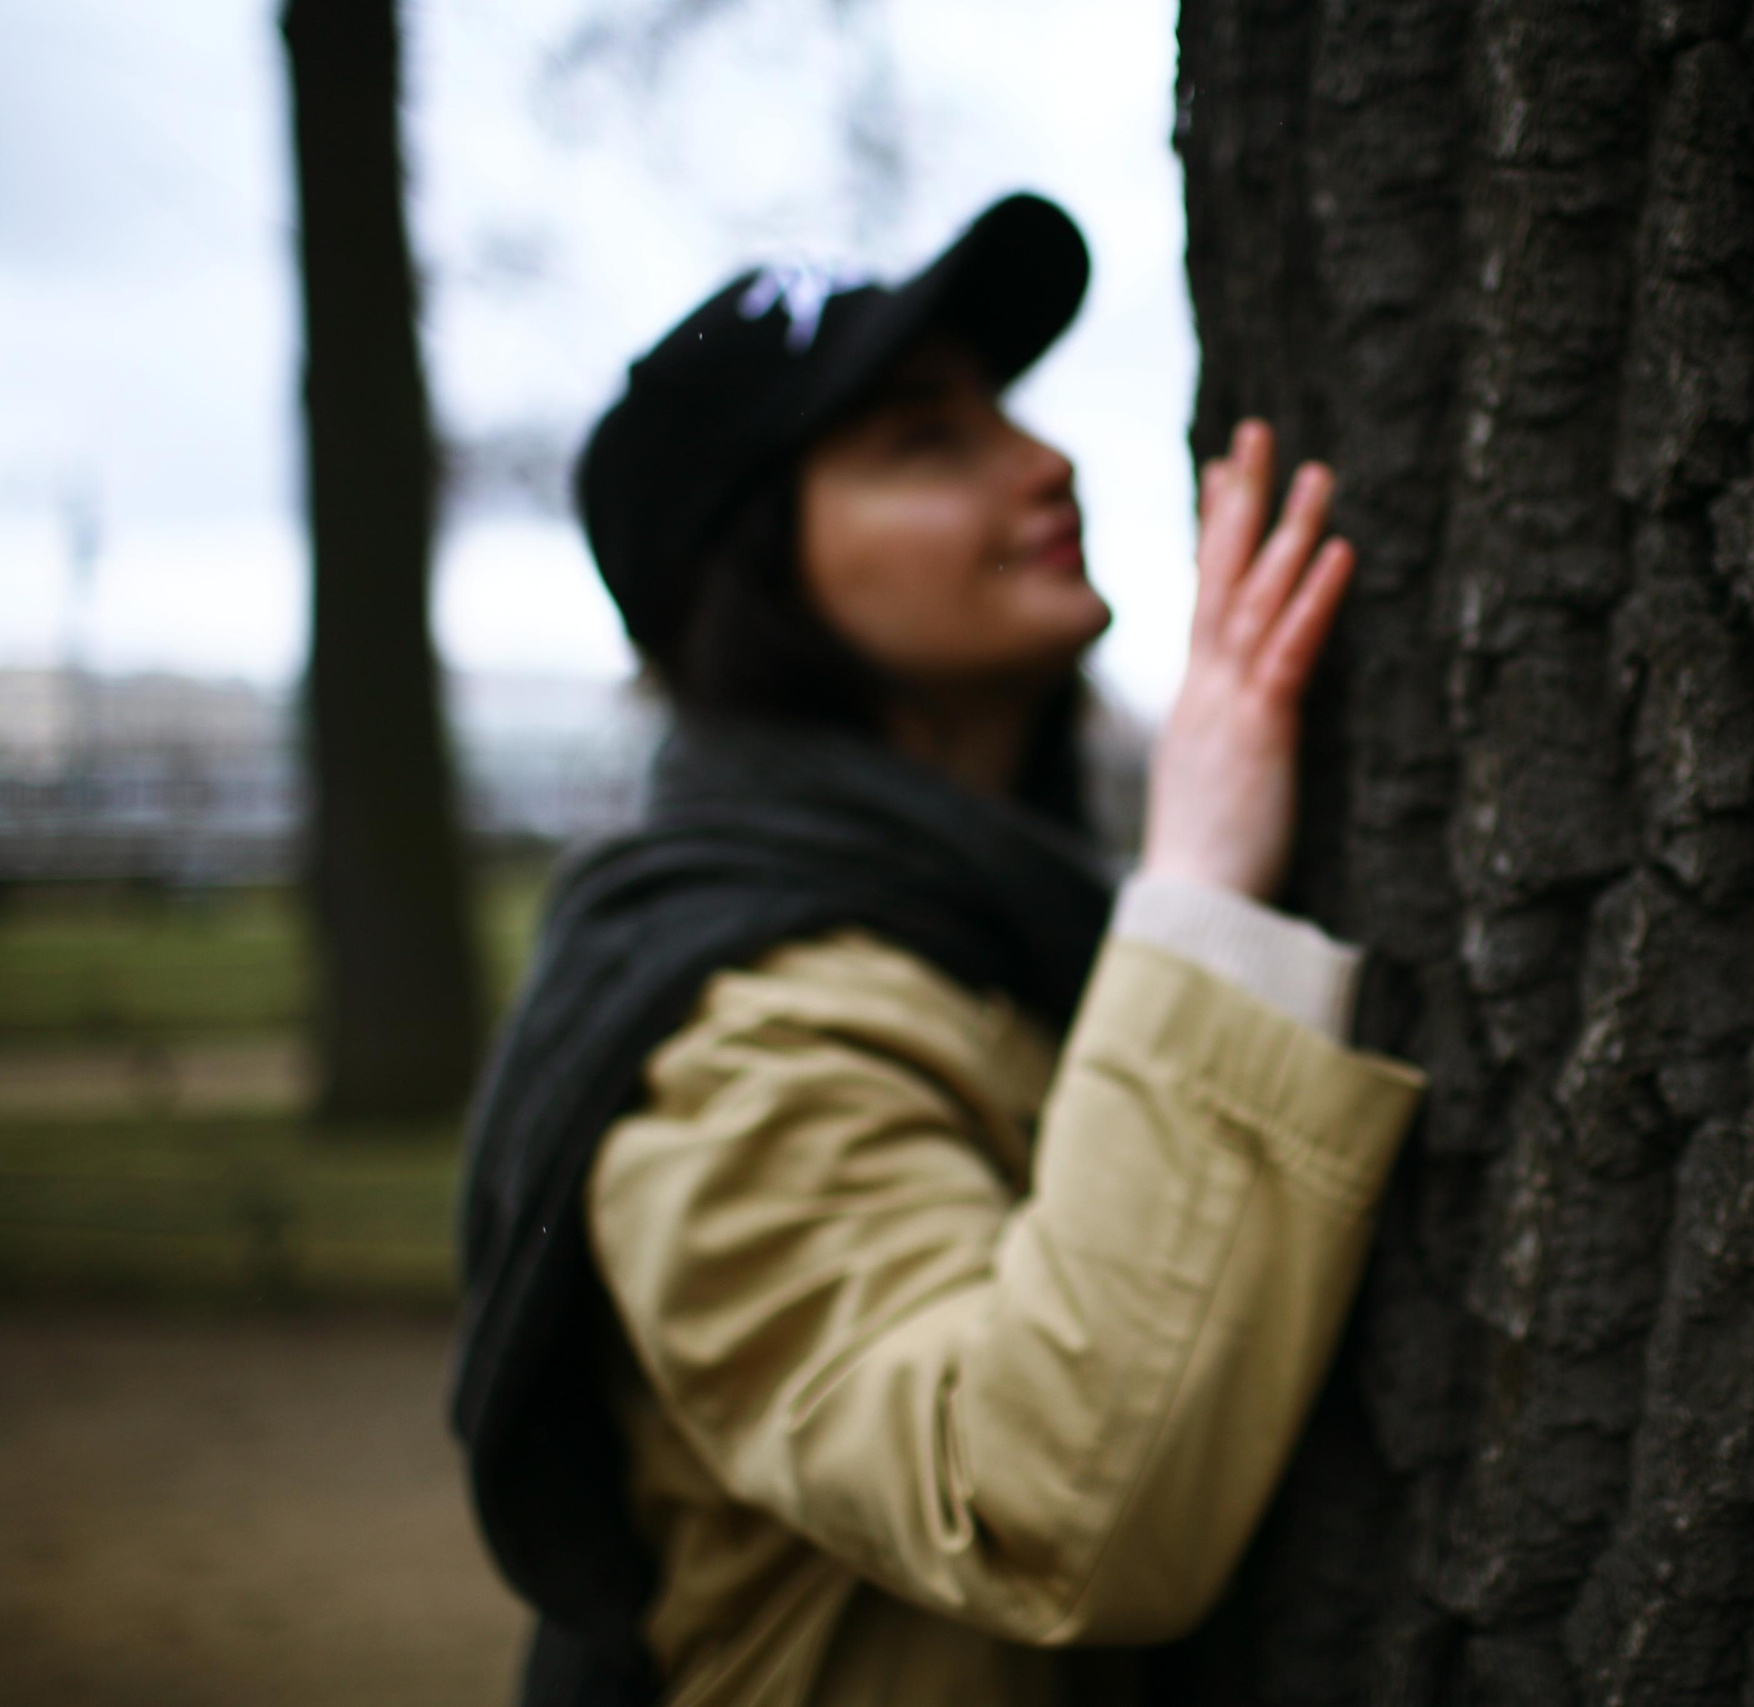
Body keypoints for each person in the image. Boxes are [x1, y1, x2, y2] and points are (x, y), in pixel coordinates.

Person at [450, 193, 1423, 1707]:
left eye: (1007, 415)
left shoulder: (983, 932)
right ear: (757, 569)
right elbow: (1042, 1505)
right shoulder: (732, 1039)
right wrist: (1207, 894)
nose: (1045, 464)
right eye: (925, 443)